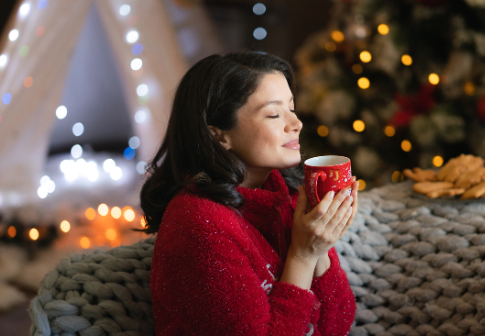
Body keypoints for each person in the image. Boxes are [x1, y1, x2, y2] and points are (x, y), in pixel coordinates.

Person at [140, 51, 358, 335]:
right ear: (218, 134)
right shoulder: (198, 225)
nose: (296, 124)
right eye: (273, 113)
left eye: (292, 108)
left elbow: (338, 323)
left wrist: (319, 247)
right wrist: (302, 255)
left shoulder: (286, 192)